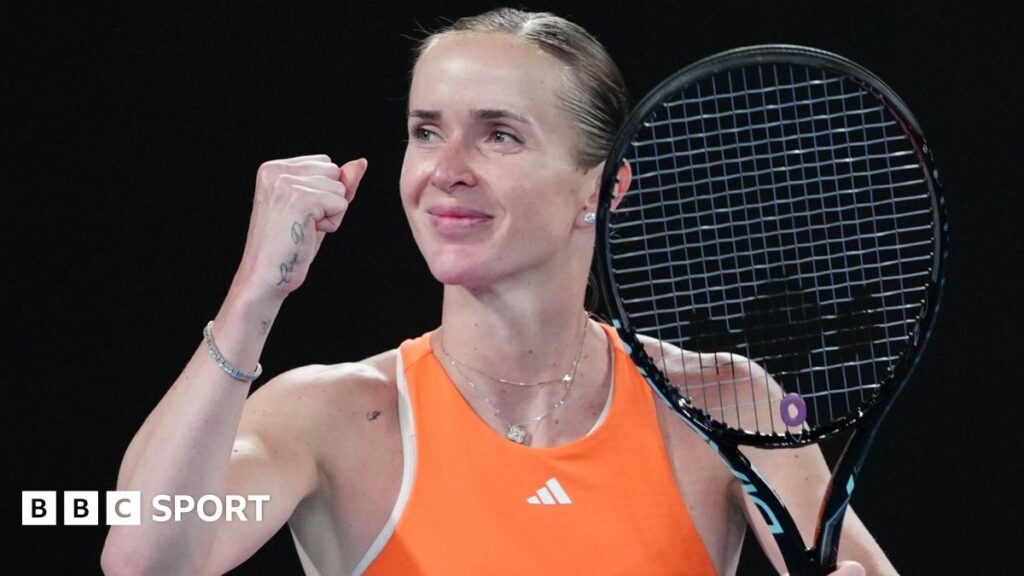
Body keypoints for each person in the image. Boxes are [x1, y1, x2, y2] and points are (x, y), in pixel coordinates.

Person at [101, 8, 895, 576]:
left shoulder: (723, 404)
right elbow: (144, 560)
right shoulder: (331, 415)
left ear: (602, 189)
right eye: (426, 131)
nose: (446, 170)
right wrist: (252, 300)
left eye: (499, 134)